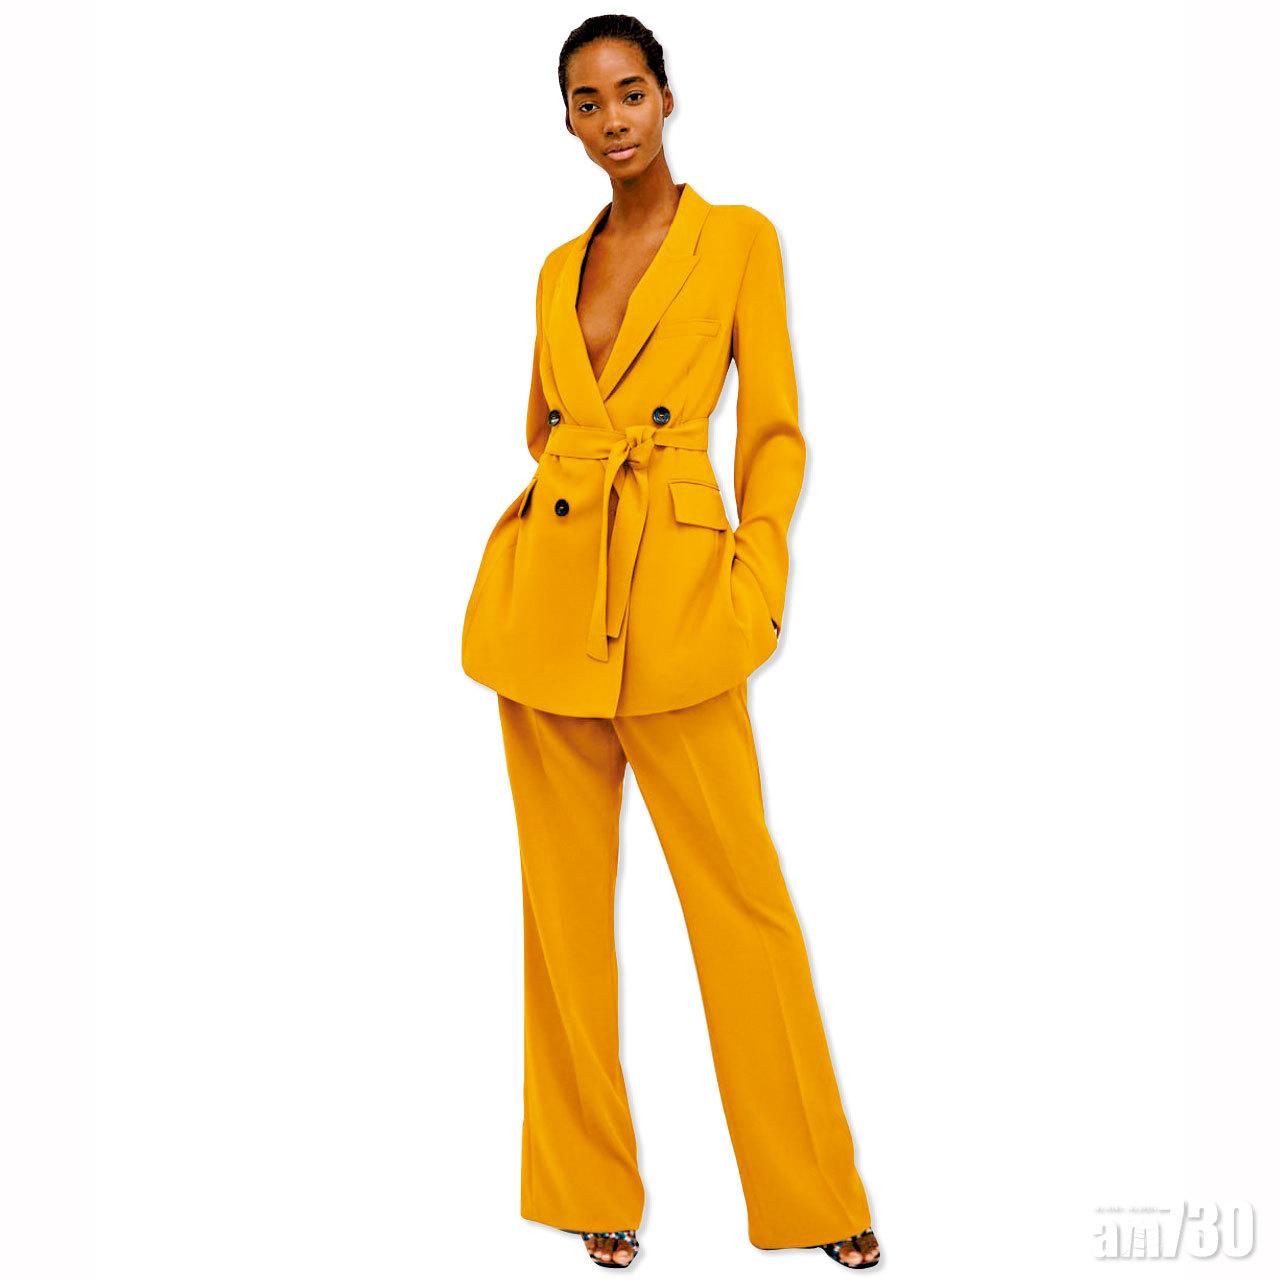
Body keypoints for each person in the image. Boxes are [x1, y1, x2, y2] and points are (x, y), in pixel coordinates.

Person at [460, 14, 881, 1271]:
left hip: (682, 609)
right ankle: (588, 1185)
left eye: (630, 91)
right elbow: (543, 426)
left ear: (666, 98)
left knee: (741, 905)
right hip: (548, 610)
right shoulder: (554, 266)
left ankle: (815, 1193)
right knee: (561, 922)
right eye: (587, 101)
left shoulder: (738, 239)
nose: (612, 120)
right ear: (566, 120)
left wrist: (754, 573)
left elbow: (775, 428)